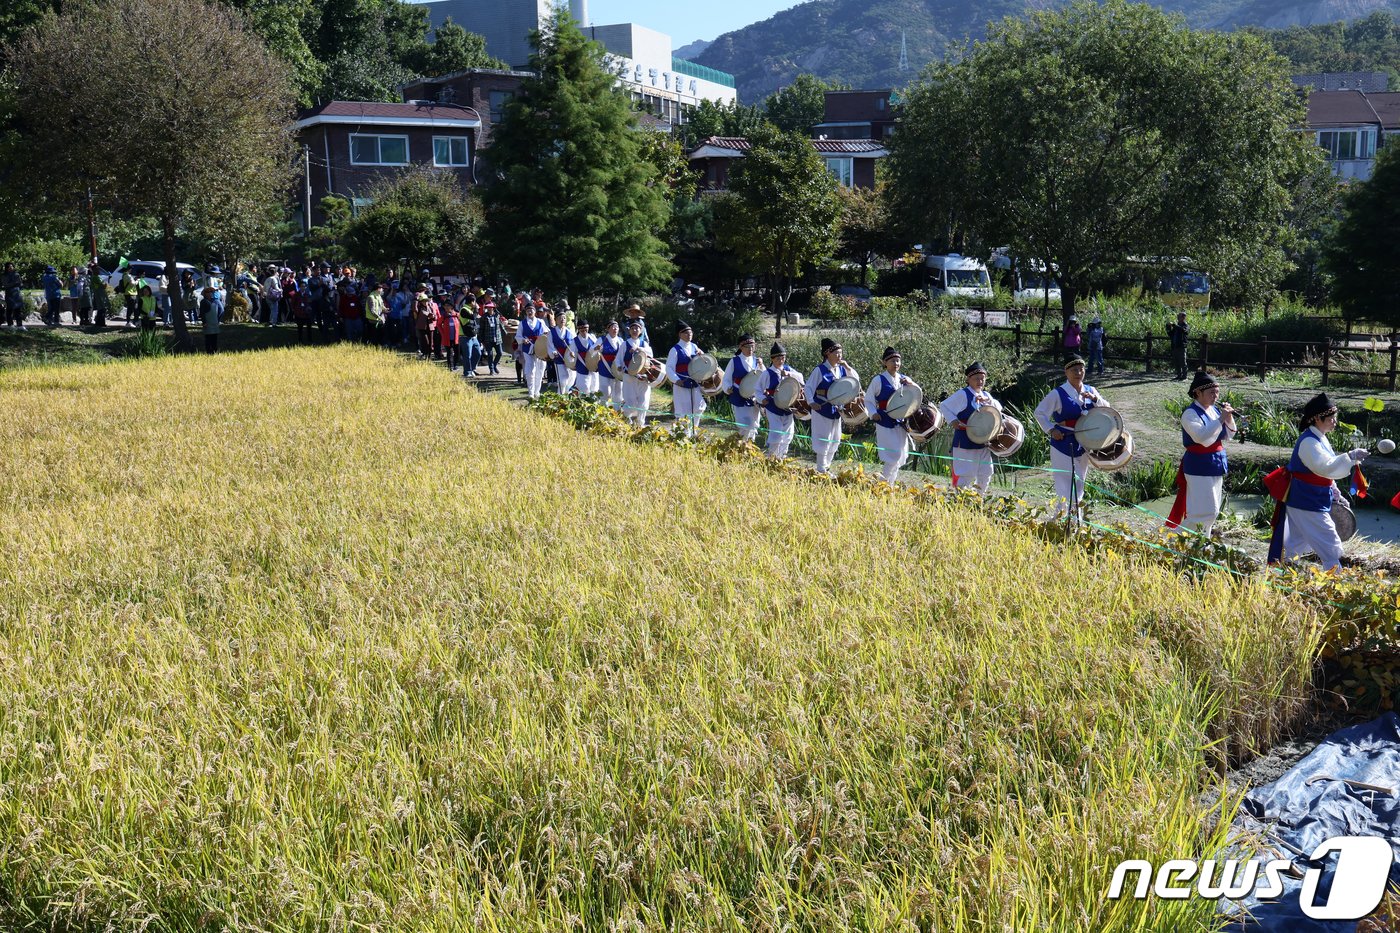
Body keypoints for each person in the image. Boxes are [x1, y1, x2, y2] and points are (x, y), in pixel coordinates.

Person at [1267, 393, 1369, 571]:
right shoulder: (1308, 442)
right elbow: (1325, 467)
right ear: (1316, 419)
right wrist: (1350, 457)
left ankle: (1287, 574)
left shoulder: (1319, 437)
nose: (1334, 422)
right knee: (1329, 540)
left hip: (1308, 497)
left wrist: (1335, 492)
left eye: (1334, 418)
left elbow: (1325, 470)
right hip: (1306, 499)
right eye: (1330, 418)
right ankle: (1334, 577)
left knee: (1297, 540)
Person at [1034, 356, 1110, 522]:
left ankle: (1073, 520)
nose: (1078, 372)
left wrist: (1095, 399)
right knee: (1064, 482)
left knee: (1080, 482)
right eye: (1074, 370)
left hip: (1085, 443)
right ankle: (1065, 521)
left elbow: (1107, 410)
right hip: (1063, 442)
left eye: (1081, 369)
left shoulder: (1090, 390)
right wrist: (1051, 429)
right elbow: (1039, 413)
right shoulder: (1058, 393)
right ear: (1066, 372)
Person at [1161, 372, 1237, 535]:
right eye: (1211, 393)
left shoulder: (1216, 411)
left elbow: (1229, 435)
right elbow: (1202, 437)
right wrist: (1220, 420)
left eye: (1217, 392)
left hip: (1216, 462)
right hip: (1198, 464)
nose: (1215, 397)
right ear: (1198, 393)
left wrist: (1228, 418)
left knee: (1211, 513)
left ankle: (1201, 546)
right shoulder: (1189, 414)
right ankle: (1175, 539)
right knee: (1206, 512)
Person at [940, 360, 1004, 494]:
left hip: (984, 442)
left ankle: (978, 500)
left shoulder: (986, 395)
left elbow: (998, 409)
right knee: (966, 474)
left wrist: (989, 402)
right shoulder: (963, 394)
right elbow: (944, 406)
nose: (980, 381)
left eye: (982, 378)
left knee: (986, 472)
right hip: (965, 441)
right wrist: (953, 421)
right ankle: (961, 504)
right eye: (976, 379)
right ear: (968, 379)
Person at [865, 346, 918, 484]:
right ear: (885, 363)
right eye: (893, 361)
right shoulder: (878, 380)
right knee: (892, 454)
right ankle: (884, 482)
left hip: (901, 422)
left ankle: (889, 483)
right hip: (884, 420)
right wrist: (873, 413)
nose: (896, 364)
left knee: (902, 455)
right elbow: (868, 399)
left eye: (898, 361)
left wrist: (911, 384)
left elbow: (917, 395)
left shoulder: (905, 379)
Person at [804, 337, 857, 474]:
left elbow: (855, 381)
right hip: (822, 408)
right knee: (823, 438)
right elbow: (808, 387)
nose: (839, 356)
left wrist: (847, 367)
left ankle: (827, 467)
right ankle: (821, 468)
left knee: (835, 439)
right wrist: (812, 402)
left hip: (837, 410)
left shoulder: (841, 369)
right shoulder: (820, 370)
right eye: (836, 353)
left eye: (841, 353)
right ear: (827, 354)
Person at [760, 342, 802, 460]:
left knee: (788, 433)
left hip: (788, 406)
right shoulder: (767, 373)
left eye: (783, 358)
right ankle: (772, 456)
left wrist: (789, 374)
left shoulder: (788, 369)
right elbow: (758, 389)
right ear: (772, 359)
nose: (781, 360)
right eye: (778, 358)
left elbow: (801, 377)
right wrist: (762, 399)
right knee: (776, 431)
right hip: (773, 406)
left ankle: (782, 457)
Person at [666, 320, 706, 437]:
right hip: (681, 384)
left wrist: (701, 354)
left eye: (690, 332)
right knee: (683, 410)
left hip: (695, 383)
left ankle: (694, 432)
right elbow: (669, 368)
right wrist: (676, 380)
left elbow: (704, 362)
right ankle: (683, 435)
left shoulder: (694, 346)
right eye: (686, 333)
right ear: (680, 334)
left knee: (698, 408)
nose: (689, 335)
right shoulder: (675, 349)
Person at [720, 334, 762, 442]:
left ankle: (750, 446)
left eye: (752, 346)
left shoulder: (757, 361)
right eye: (748, 347)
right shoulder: (734, 361)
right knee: (743, 424)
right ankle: (741, 446)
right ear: (741, 347)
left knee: (754, 424)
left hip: (753, 396)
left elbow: (764, 377)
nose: (751, 349)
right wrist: (728, 388)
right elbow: (726, 378)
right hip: (739, 395)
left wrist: (761, 366)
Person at [620, 318, 652, 426]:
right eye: (633, 328)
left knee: (643, 402)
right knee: (631, 402)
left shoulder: (644, 344)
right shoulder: (625, 344)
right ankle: (626, 418)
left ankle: (640, 423)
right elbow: (618, 359)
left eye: (637, 328)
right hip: (629, 376)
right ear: (629, 331)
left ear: (641, 331)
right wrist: (620, 367)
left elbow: (650, 354)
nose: (635, 330)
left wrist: (639, 348)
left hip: (643, 377)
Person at [518, 302, 548, 399]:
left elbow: (547, 332)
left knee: (540, 369)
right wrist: (523, 340)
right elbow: (518, 336)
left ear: (535, 311)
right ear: (525, 312)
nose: (530, 312)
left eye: (531, 310)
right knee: (530, 370)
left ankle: (537, 391)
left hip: (540, 349)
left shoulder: (541, 322)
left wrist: (545, 337)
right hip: (528, 348)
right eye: (528, 310)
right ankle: (531, 392)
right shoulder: (522, 323)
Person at [596, 320, 625, 410]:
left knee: (618, 392)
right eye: (612, 327)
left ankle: (617, 411)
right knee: (605, 392)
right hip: (605, 369)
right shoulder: (602, 339)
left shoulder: (621, 341)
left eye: (616, 327)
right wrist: (597, 349)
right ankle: (602, 410)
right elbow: (591, 352)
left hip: (618, 370)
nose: (615, 329)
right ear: (608, 329)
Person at [548, 304, 575, 393]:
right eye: (560, 318)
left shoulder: (570, 332)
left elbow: (574, 344)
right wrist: (553, 352)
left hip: (568, 357)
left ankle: (567, 393)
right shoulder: (551, 332)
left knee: (571, 377)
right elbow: (550, 344)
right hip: (558, 358)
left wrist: (573, 352)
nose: (562, 319)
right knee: (562, 379)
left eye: (564, 318)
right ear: (556, 320)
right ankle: (560, 395)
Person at [571, 321, 599, 396]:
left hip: (593, 365)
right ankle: (583, 404)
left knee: (594, 386)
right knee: (583, 387)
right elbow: (571, 352)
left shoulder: (592, 337)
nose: (583, 330)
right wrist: (572, 356)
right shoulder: (575, 340)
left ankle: (594, 404)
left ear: (588, 327)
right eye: (581, 328)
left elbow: (598, 350)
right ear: (578, 329)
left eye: (585, 328)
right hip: (581, 365)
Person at [436, 294, 460, 369]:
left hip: (457, 338)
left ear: (452, 306)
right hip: (447, 338)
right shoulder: (443, 316)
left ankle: (455, 365)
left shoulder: (457, 315)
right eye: (445, 306)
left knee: (457, 352)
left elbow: (462, 324)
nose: (446, 307)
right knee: (449, 353)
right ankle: (450, 366)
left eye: (448, 305)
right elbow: (438, 324)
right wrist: (443, 333)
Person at [479, 300, 502, 375]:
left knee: (500, 353)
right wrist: (481, 339)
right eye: (488, 307)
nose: (489, 309)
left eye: (491, 307)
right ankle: (491, 369)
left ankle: (494, 365)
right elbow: (481, 329)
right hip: (488, 339)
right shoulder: (484, 317)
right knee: (490, 354)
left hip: (497, 338)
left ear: (493, 308)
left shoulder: (497, 315)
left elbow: (501, 325)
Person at [199, 285, 223, 353]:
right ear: (205, 294)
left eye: (211, 292)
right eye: (208, 292)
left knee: (214, 338)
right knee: (208, 338)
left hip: (214, 323)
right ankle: (209, 351)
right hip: (208, 323)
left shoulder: (215, 301)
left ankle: (215, 350)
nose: (210, 293)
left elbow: (220, 311)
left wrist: (218, 320)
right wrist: (204, 322)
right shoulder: (203, 302)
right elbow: (202, 313)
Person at [1167, 311, 1190, 380]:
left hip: (1181, 346)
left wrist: (1174, 325)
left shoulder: (1186, 325)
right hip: (1175, 346)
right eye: (1177, 316)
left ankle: (1184, 376)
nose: (1177, 317)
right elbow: (1171, 335)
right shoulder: (1176, 326)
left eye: (1179, 316)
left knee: (1183, 362)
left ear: (1183, 318)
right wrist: (1168, 329)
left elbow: (1184, 331)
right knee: (1176, 362)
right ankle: (1179, 375)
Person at [3, 262, 22, 329]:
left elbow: (20, 283)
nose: (11, 268)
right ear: (6, 268)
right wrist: (14, 283)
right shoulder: (5, 275)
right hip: (9, 294)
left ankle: (20, 325)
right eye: (9, 267)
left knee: (18, 310)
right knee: (9, 310)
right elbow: (6, 285)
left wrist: (15, 284)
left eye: (12, 266)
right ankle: (10, 324)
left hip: (16, 294)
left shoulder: (17, 274)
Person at [89, 263, 109, 328]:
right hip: (99, 294)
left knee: (101, 309)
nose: (98, 271)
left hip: (100, 294)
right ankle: (101, 323)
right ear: (94, 270)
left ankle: (99, 322)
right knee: (101, 308)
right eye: (97, 269)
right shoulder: (95, 277)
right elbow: (102, 285)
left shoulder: (96, 277)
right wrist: (105, 284)